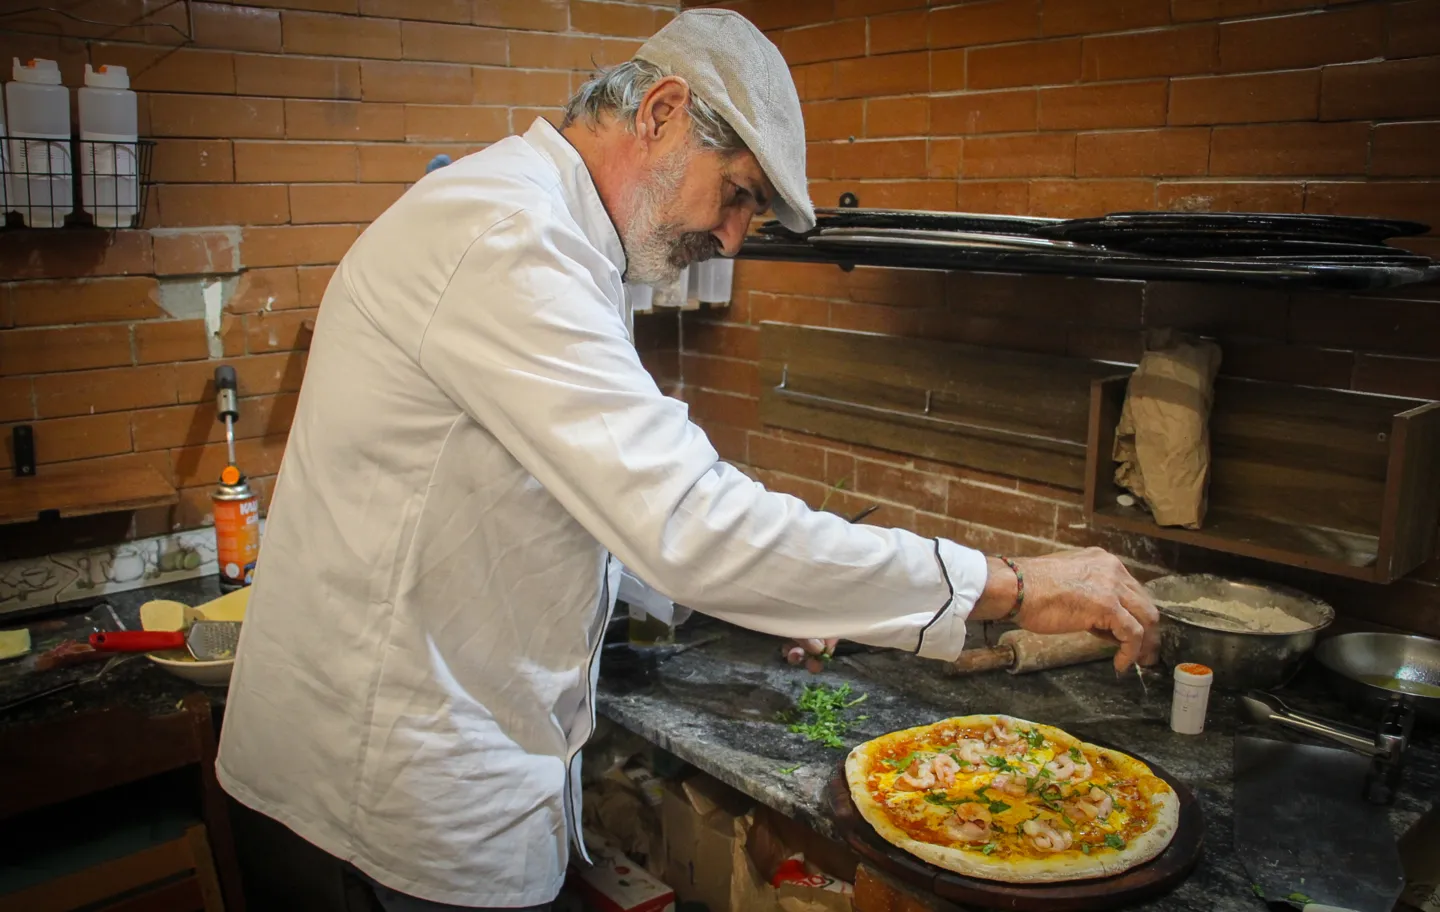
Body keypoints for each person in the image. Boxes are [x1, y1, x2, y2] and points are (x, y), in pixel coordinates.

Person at [215, 9, 1159, 911]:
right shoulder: (513, 240)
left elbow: (564, 509)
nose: (734, 238)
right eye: (740, 193)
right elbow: (688, 525)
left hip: (404, 785)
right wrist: (1011, 585)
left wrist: (786, 592)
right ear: (662, 113)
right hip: (377, 813)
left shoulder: (557, 234)